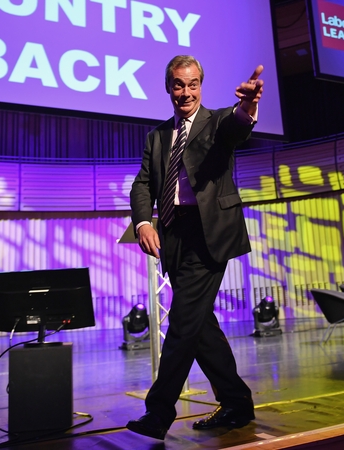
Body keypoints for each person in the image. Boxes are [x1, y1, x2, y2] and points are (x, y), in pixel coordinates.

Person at [126, 55, 263, 440]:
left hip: (210, 237)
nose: (185, 92)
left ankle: (158, 412)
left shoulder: (217, 120)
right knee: (199, 326)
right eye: (178, 84)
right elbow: (142, 185)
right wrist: (142, 222)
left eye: (192, 84)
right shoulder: (156, 136)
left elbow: (238, 127)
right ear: (168, 87)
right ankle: (237, 404)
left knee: (183, 324)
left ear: (201, 85)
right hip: (174, 235)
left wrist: (249, 105)